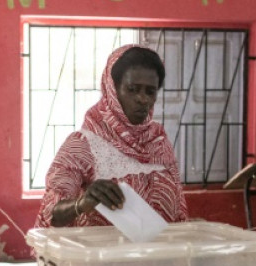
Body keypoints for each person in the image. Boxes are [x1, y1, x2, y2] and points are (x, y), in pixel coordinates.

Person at [36, 44, 188, 227]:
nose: (142, 99)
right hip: (102, 254)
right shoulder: (84, 144)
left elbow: (178, 208)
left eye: (150, 91)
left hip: (158, 253)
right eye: (132, 89)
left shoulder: (158, 141)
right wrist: (82, 204)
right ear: (113, 89)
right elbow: (51, 213)